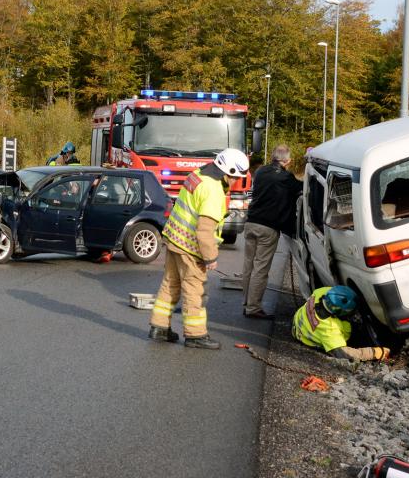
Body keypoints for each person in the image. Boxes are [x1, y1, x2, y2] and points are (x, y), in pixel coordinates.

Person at [148, 147, 249, 350]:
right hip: (191, 248)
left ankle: (159, 327)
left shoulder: (198, 174)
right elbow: (204, 231)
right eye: (235, 176)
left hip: (174, 239)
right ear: (228, 172)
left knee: (170, 284)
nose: (236, 181)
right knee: (195, 291)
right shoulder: (213, 191)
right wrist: (211, 258)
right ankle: (195, 335)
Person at [242, 145, 303, 319]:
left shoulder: (260, 172)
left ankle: (246, 302)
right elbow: (301, 188)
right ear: (288, 161)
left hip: (251, 223)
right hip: (267, 229)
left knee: (248, 265)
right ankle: (253, 308)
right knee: (261, 268)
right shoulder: (286, 177)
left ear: (272, 158)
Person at [292, 285, 390, 362]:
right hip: (303, 336)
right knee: (351, 331)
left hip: (299, 319)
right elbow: (344, 354)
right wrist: (375, 353)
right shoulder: (329, 329)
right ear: (338, 312)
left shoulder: (322, 292)